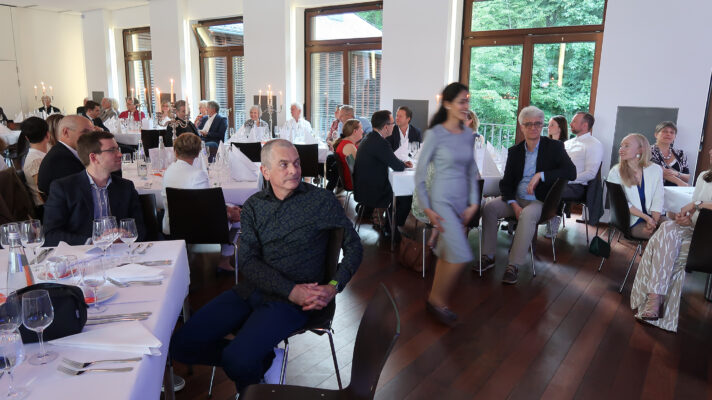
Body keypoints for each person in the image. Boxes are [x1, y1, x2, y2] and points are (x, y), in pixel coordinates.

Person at [169, 139, 362, 394]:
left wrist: (334, 286)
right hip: (252, 291)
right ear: (265, 172)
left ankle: (253, 383)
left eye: (296, 163)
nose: (294, 170)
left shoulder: (321, 201)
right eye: (284, 165)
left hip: (296, 302)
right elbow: (247, 260)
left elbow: (354, 247)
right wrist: (290, 289)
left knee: (239, 359)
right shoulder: (254, 206)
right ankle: (264, 360)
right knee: (181, 345)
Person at [480, 106, 576, 285]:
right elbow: (506, 183)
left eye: (537, 124)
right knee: (489, 208)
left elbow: (571, 172)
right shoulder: (515, 151)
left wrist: (541, 175)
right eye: (528, 124)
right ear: (521, 127)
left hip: (539, 201)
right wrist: (514, 204)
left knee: (528, 214)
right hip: (516, 199)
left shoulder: (554, 147)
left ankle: (513, 265)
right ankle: (488, 255)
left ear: (542, 126)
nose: (533, 127)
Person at [415, 83, 480, 325]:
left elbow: (471, 170)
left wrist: (474, 203)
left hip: (461, 203)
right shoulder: (435, 134)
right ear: (448, 104)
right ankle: (437, 301)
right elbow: (419, 175)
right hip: (441, 202)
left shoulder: (467, 134)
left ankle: (433, 299)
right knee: (460, 255)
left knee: (446, 255)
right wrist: (427, 208)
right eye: (462, 101)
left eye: (467, 100)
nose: (466, 106)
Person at [630, 147, 712, 331]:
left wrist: (697, 203)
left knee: (665, 250)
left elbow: (697, 205)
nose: (711, 152)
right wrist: (686, 219)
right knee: (667, 228)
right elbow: (694, 214)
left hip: (708, 241)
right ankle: (655, 299)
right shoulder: (704, 177)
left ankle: (653, 303)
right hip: (695, 230)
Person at [43, 131, 145, 246]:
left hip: (120, 250)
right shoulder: (64, 188)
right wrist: (90, 242)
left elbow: (140, 227)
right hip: (82, 253)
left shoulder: (126, 187)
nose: (120, 154)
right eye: (112, 150)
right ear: (94, 157)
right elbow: (50, 234)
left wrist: (126, 235)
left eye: (118, 149)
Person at [162, 133, 240, 271]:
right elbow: (207, 207)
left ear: (175, 151)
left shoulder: (168, 171)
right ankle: (224, 260)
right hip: (198, 228)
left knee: (230, 209)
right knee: (238, 215)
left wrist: (227, 209)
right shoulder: (197, 174)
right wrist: (229, 213)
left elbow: (205, 203)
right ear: (198, 153)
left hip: (172, 226)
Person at [353, 110, 413, 233]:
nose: (394, 126)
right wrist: (402, 164)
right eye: (392, 123)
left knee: (400, 190)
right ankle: (392, 229)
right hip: (372, 190)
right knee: (406, 195)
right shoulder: (380, 143)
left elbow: (391, 160)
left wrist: (402, 164)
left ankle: (386, 222)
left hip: (363, 186)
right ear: (386, 127)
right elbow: (398, 167)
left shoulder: (370, 137)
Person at [545, 112, 603, 237]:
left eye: (574, 121)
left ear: (585, 125)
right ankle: (531, 218)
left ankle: (550, 218)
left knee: (551, 190)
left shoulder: (594, 144)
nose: (570, 124)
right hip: (560, 181)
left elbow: (591, 174)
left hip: (578, 187)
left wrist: (565, 179)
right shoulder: (568, 143)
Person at [607, 133, 665, 239]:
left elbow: (658, 198)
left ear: (640, 150)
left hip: (655, 215)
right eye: (621, 146)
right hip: (631, 219)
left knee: (673, 229)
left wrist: (654, 221)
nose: (621, 149)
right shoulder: (615, 172)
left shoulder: (656, 169)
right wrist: (647, 219)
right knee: (660, 237)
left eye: (626, 146)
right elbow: (623, 203)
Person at [37, 115, 95, 199]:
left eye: (93, 133)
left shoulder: (64, 152)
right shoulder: (60, 160)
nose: (92, 138)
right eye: (85, 132)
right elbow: (85, 193)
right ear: (66, 132)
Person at [21, 117, 51, 207]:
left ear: (27, 138)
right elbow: (42, 194)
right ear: (48, 135)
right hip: (45, 207)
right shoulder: (36, 160)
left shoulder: (41, 155)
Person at [650, 121, 690, 187]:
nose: (668, 134)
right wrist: (680, 182)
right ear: (656, 134)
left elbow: (687, 178)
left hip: (675, 192)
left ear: (675, 136)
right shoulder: (648, 151)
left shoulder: (680, 154)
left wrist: (676, 173)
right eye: (664, 131)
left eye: (672, 132)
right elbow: (659, 171)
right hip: (653, 190)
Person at [334, 119, 363, 191]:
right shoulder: (349, 146)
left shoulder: (345, 143)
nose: (363, 131)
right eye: (361, 129)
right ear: (355, 131)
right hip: (353, 182)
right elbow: (361, 167)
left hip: (351, 180)